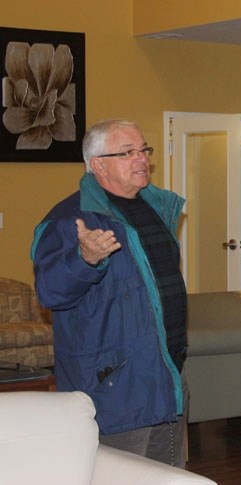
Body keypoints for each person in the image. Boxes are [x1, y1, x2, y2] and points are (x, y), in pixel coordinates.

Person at [31, 119, 188, 468]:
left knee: (173, 477)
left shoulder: (157, 209)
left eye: (144, 150)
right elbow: (50, 293)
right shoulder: (68, 220)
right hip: (115, 386)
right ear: (97, 164)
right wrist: (85, 259)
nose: (141, 159)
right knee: (119, 474)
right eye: (127, 152)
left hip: (167, 372)